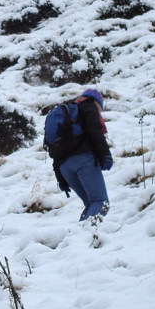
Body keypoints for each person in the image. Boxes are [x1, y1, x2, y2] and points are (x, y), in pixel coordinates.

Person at [54, 89, 113, 222]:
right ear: (97, 103)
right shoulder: (89, 105)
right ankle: (86, 233)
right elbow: (95, 130)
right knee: (100, 203)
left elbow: (56, 146)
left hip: (64, 167)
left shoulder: (68, 114)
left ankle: (80, 233)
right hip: (83, 161)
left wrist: (60, 177)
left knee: (91, 204)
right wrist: (106, 155)